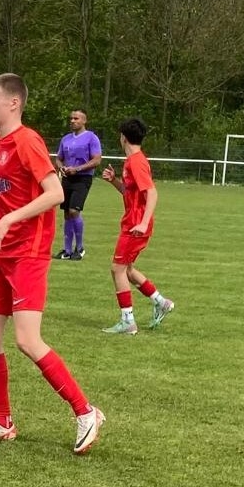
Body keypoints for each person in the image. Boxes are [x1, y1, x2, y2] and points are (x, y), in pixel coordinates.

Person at [0, 73, 104, 455]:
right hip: (1, 253)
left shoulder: (27, 141)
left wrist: (8, 220)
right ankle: (2, 422)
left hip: (27, 253)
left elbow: (54, 193)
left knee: (27, 340)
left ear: (13, 103)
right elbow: (18, 191)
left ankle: (86, 412)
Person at [100, 117, 174, 335]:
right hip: (134, 222)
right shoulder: (133, 161)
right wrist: (114, 181)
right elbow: (130, 192)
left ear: (123, 137)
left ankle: (128, 321)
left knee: (117, 269)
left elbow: (152, 192)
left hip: (135, 225)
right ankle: (161, 302)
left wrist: (142, 222)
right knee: (128, 270)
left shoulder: (136, 162)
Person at [52, 109, 102, 260]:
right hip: (68, 178)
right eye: (71, 118)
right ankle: (67, 250)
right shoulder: (66, 139)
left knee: (74, 211)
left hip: (83, 178)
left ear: (84, 121)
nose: (72, 121)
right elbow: (59, 158)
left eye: (76, 118)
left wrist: (77, 169)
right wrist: (61, 167)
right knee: (67, 212)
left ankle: (79, 248)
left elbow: (97, 160)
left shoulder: (91, 138)